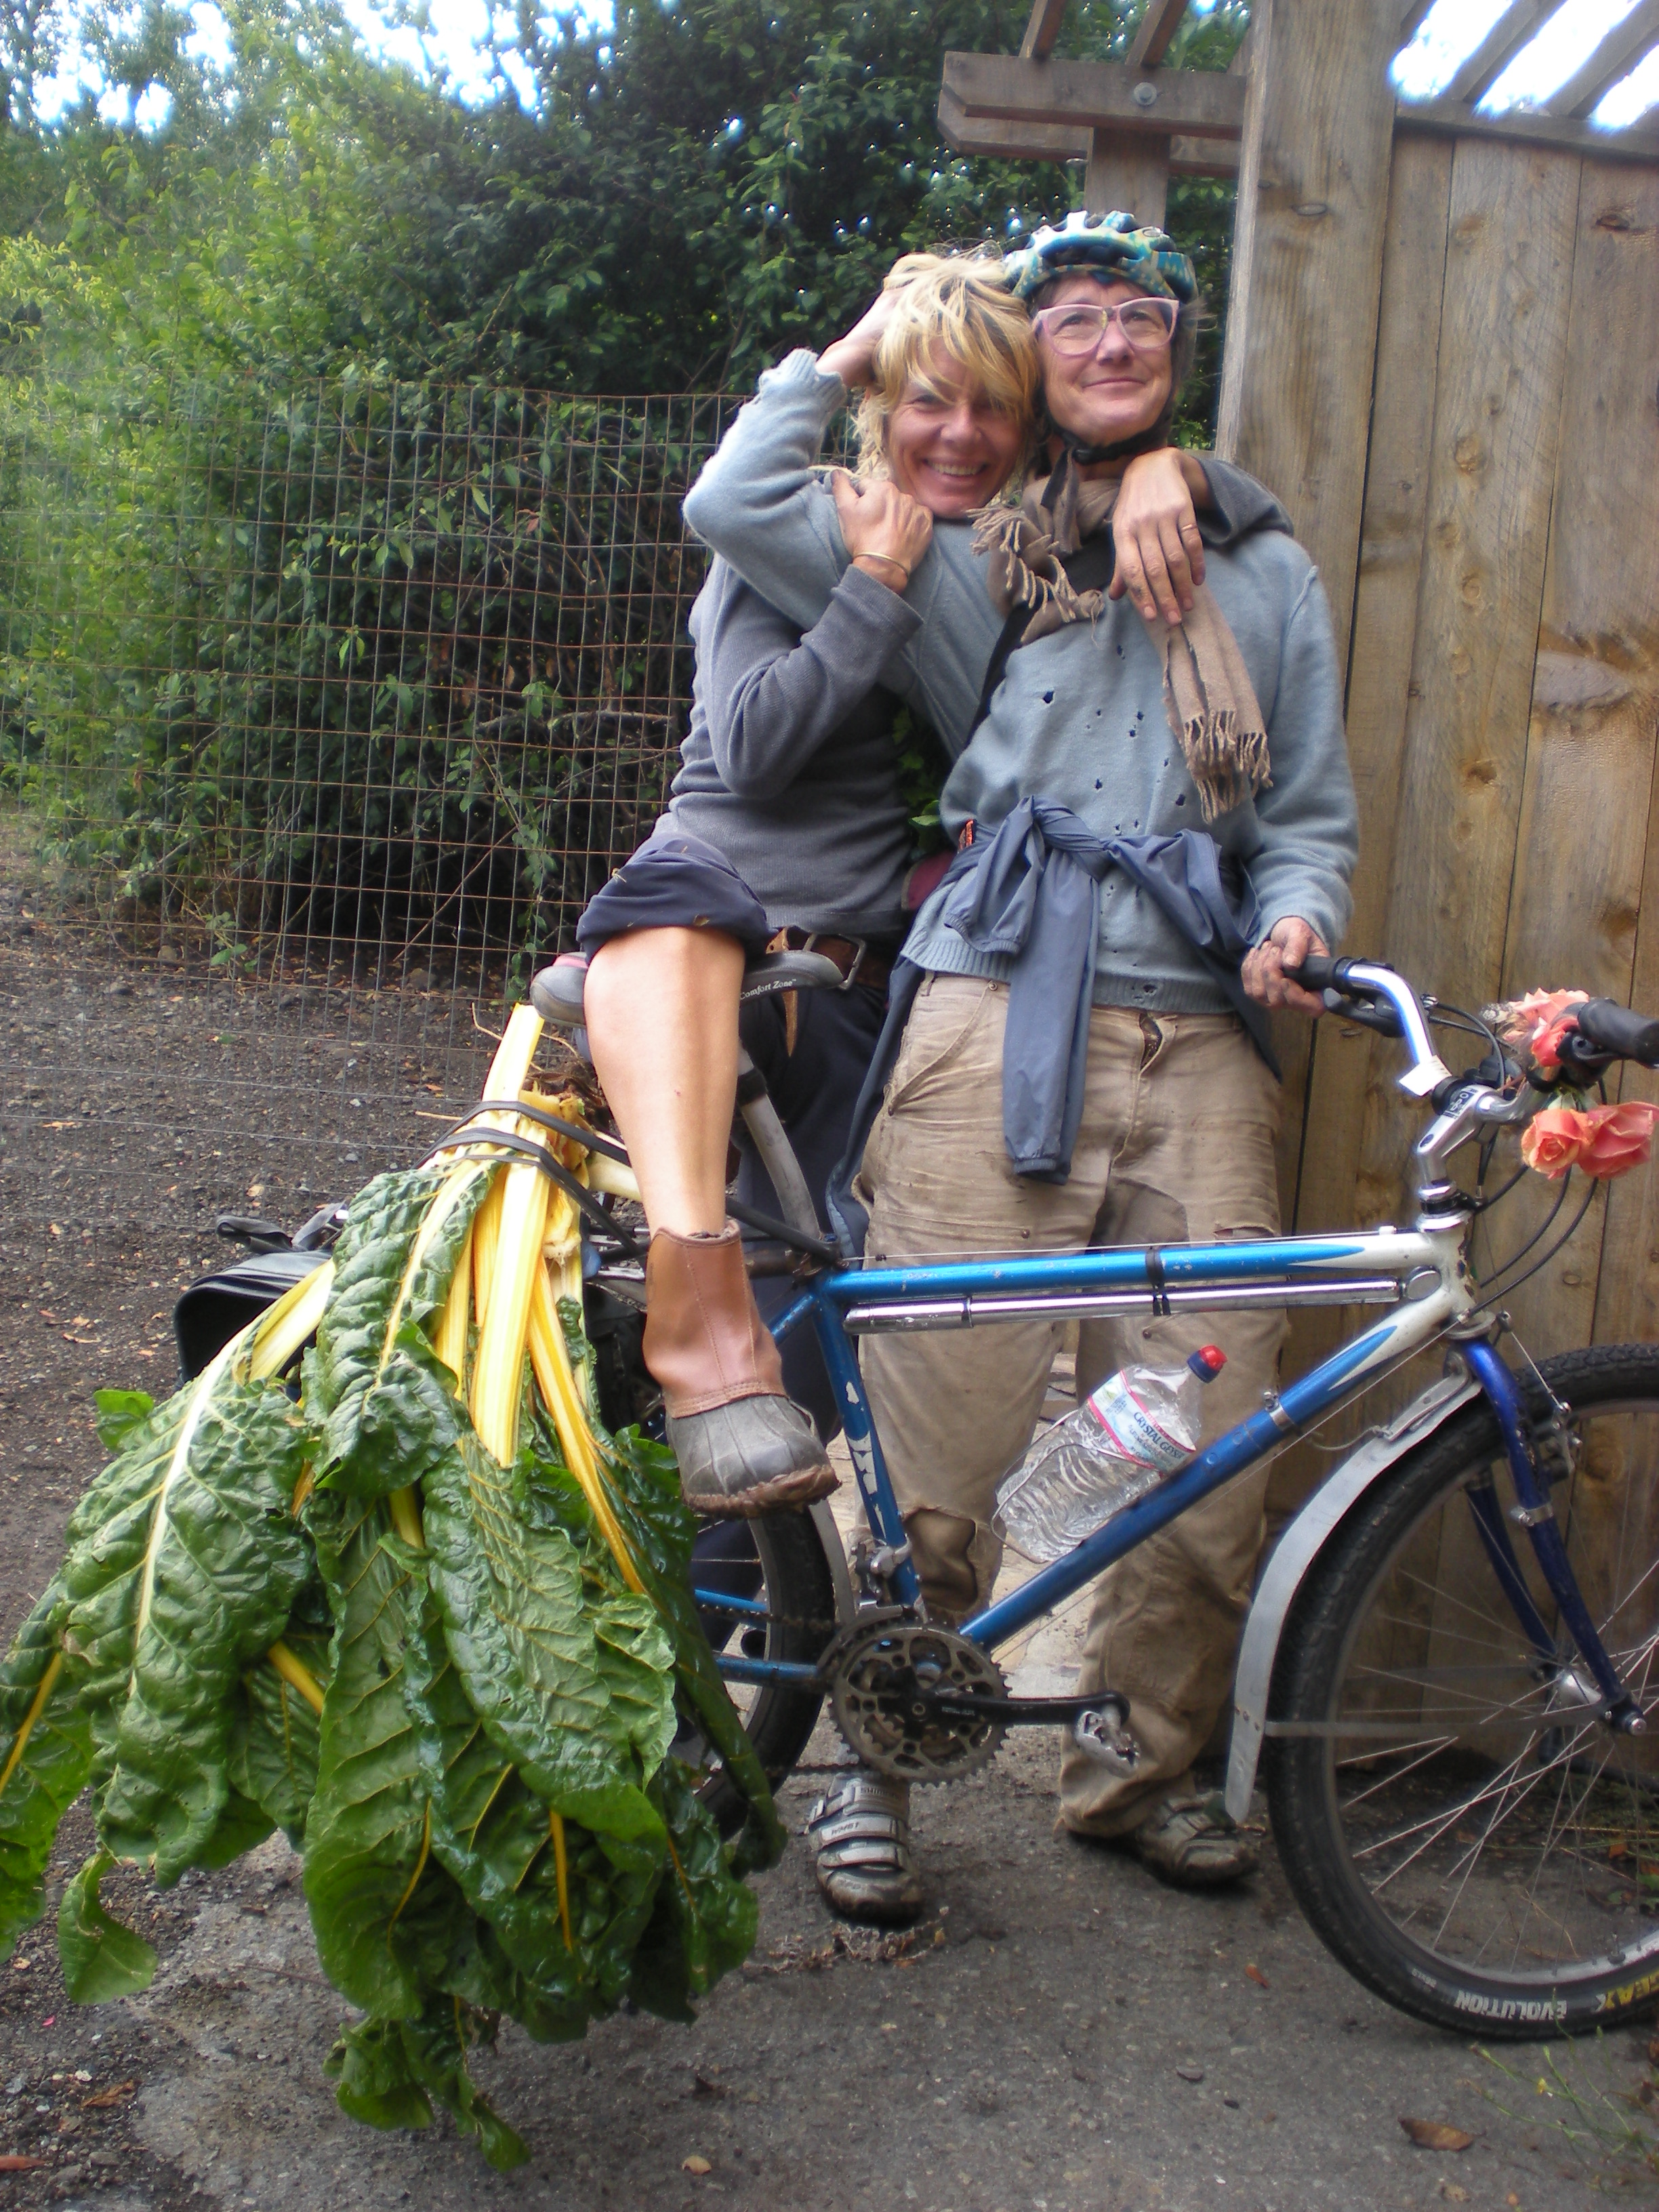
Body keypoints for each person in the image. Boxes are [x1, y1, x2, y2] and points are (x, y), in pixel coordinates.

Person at [684, 209, 1358, 1921]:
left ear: (1180, 351)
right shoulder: (973, 554)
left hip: (1203, 1034)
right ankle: (879, 1772)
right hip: (994, 999)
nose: (1114, 341)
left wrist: (1298, 916)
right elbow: (741, 503)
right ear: (1035, 359)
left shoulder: (1266, 568)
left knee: (1204, 1436)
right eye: (1078, 321)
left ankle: (1142, 1773)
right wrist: (852, 352)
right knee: (943, 1426)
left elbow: (1303, 816)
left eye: (1146, 317)